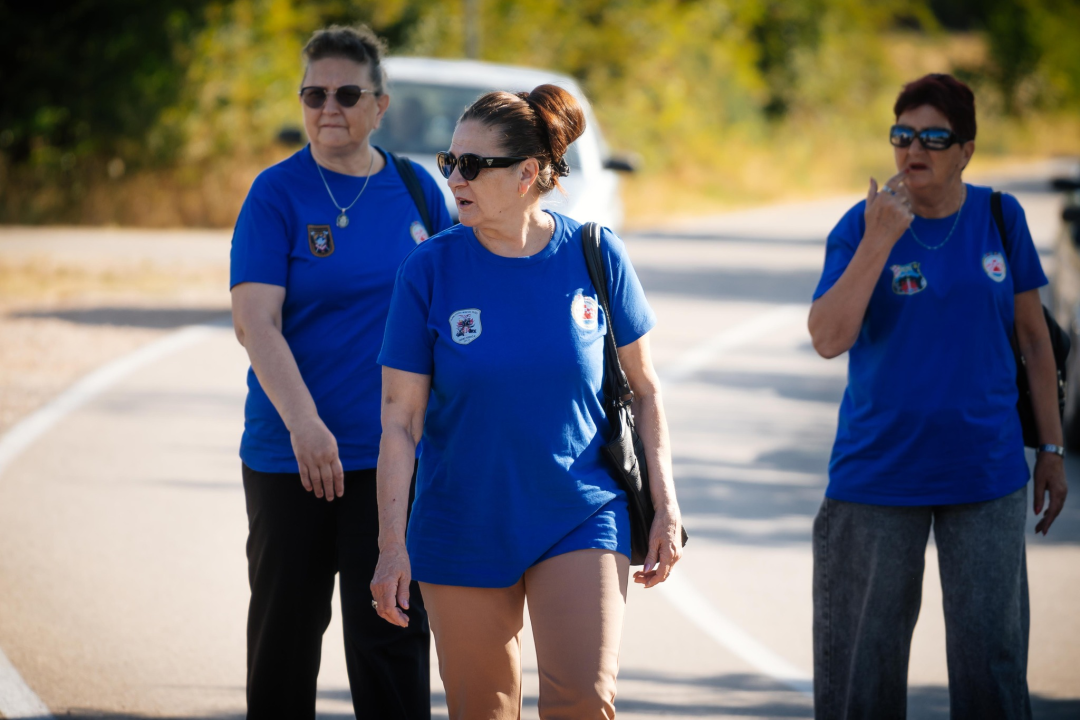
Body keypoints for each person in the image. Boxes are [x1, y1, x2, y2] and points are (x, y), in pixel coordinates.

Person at [370, 85, 684, 719]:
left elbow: (647, 392)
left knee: (584, 702)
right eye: (448, 161)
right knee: (482, 711)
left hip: (578, 514)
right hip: (460, 522)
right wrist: (391, 544)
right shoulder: (427, 271)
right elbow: (400, 423)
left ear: (528, 174)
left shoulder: (597, 257)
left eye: (472, 165)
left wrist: (666, 507)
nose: (454, 177)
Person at [808, 73, 1069, 719]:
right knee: (861, 677)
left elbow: (1036, 344)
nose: (912, 149)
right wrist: (878, 242)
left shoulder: (1001, 218)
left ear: (966, 150)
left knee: (993, 671)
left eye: (932, 136)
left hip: (986, 474)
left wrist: (1053, 449)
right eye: (902, 135)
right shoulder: (860, 225)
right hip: (877, 478)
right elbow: (827, 337)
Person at [229, 25, 451, 720]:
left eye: (348, 93)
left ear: (380, 106)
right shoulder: (277, 194)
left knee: (391, 635)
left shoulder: (419, 192)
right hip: (290, 454)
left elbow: (452, 315)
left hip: (390, 461)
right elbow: (254, 322)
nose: (330, 106)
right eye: (314, 93)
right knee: (286, 639)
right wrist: (305, 425)